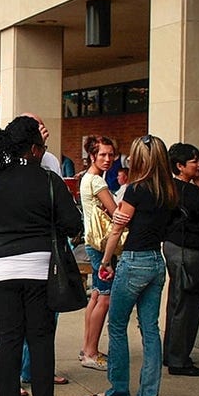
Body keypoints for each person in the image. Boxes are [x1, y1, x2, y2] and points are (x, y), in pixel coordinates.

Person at [0, 115, 81, 396]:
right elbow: (73, 224)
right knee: (40, 335)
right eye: (42, 147)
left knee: (8, 335)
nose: (44, 152)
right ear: (32, 148)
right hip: (39, 265)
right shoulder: (47, 180)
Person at [85, 135, 177, 396]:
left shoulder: (136, 189)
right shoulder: (170, 191)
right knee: (150, 329)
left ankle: (118, 391)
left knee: (117, 325)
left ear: (137, 159)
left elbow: (116, 228)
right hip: (156, 262)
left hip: (133, 259)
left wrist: (105, 261)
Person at [162, 143, 199, 377]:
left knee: (177, 301)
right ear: (180, 166)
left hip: (174, 249)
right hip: (189, 251)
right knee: (187, 306)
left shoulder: (170, 188)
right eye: (195, 161)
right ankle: (178, 360)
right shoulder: (189, 192)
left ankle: (171, 353)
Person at [80, 135, 126, 371]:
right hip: (101, 245)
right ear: (92, 156)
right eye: (102, 155)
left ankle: (88, 347)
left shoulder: (88, 178)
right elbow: (117, 212)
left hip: (92, 242)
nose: (108, 159)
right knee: (105, 297)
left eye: (111, 154)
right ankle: (90, 352)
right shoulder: (97, 182)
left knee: (97, 294)